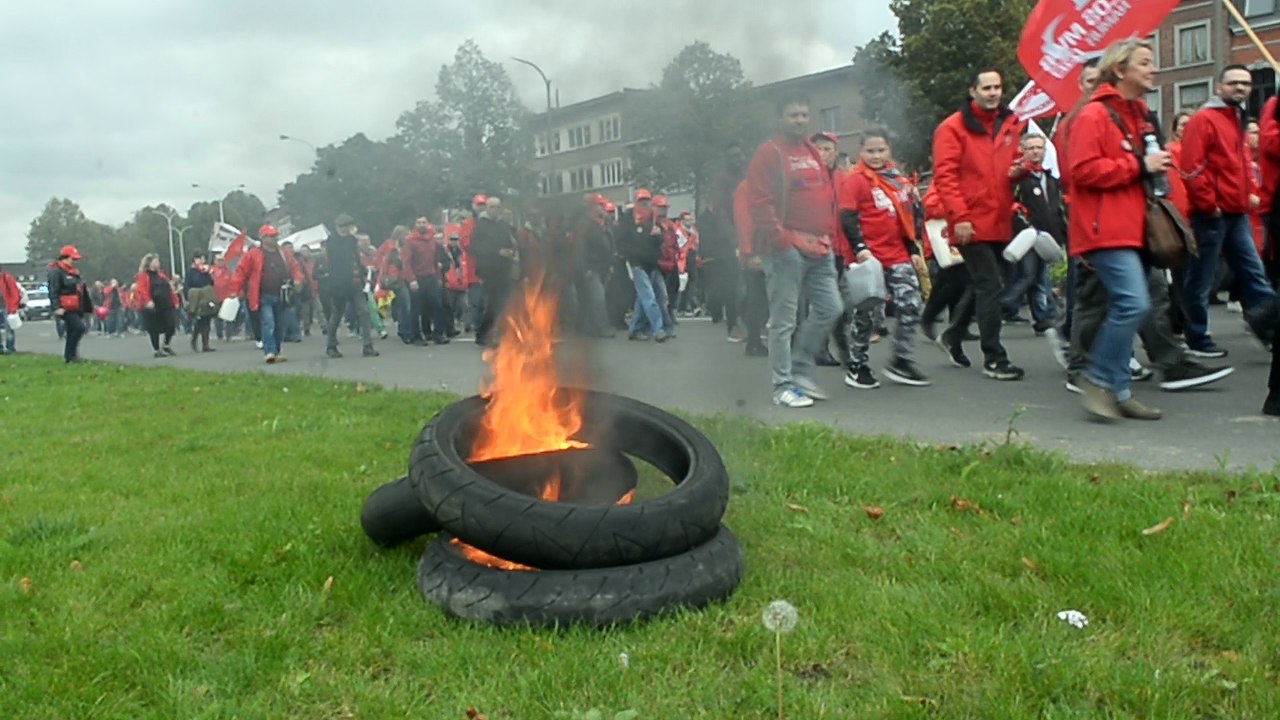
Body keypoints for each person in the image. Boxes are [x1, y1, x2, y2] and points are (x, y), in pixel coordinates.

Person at [1065, 39, 1166, 422]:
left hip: (1132, 227)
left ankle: (1120, 391)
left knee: (1126, 305)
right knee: (1134, 304)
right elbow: (1083, 171)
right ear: (1120, 70)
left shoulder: (1138, 114)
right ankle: (1097, 377)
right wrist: (1141, 165)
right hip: (1104, 229)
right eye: (1144, 62)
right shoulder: (1094, 116)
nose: (1152, 68)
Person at [743, 95, 843, 408]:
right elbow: (757, 200)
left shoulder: (811, 149)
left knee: (831, 308)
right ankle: (782, 386)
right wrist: (781, 240)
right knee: (784, 320)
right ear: (780, 118)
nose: (799, 120)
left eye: (803, 114)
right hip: (785, 249)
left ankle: (800, 369)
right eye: (793, 115)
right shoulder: (769, 152)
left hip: (819, 245)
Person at [931, 68, 1028, 381]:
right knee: (990, 284)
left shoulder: (1010, 123)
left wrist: (1020, 170)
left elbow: (1009, 166)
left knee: (987, 283)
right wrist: (959, 218)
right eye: (987, 87)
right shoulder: (952, 128)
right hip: (971, 221)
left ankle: (954, 333)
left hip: (999, 218)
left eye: (998, 87)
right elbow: (945, 177)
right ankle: (994, 356)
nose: (993, 93)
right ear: (972, 91)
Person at [1180, 64, 1278, 358]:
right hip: (1214, 214)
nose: (1240, 88)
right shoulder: (1204, 120)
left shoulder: (1235, 118)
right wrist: (1210, 206)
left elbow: (1241, 161)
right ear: (1219, 87)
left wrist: (1249, 192)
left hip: (1235, 213)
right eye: (1234, 83)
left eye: (1245, 83)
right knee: (1202, 278)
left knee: (1254, 273)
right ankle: (1196, 337)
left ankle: (1271, 329)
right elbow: (1192, 167)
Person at [837, 128, 931, 388]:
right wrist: (859, 248)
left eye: (881, 150)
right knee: (867, 313)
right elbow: (847, 216)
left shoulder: (896, 179)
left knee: (911, 303)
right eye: (870, 151)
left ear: (889, 150)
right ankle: (857, 365)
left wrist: (913, 249)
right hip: (869, 257)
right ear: (861, 151)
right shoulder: (854, 180)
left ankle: (901, 360)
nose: (876, 156)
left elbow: (907, 217)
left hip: (897, 253)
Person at [228, 224, 304, 364]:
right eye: (272, 236)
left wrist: (298, 278)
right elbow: (241, 272)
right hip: (262, 296)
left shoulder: (283, 253)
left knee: (280, 325)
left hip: (281, 295)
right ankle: (269, 351)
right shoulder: (253, 254)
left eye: (276, 235)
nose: (275, 238)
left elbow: (295, 266)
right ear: (263, 238)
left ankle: (277, 351)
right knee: (268, 323)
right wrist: (235, 289)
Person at [323, 214, 379, 358]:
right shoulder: (331, 242)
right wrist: (354, 240)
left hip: (355, 283)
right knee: (336, 315)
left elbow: (355, 259)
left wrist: (364, 270)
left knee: (364, 312)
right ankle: (331, 345)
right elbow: (340, 258)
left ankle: (368, 346)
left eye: (347, 226)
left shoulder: (352, 241)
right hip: (339, 284)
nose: (344, 229)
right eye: (341, 227)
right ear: (336, 228)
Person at [469, 196, 521, 346]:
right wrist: (497, 251)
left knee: (504, 303)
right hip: (488, 270)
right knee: (491, 304)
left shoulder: (503, 225)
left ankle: (498, 332)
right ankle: (483, 333)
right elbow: (475, 248)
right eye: (492, 207)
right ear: (486, 208)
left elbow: (509, 243)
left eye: (497, 207)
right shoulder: (481, 225)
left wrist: (510, 252)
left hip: (503, 269)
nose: (495, 210)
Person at [403, 216, 450, 345]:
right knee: (416, 309)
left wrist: (439, 277)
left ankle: (438, 334)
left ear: (428, 224)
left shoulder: (432, 240)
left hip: (431, 277)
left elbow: (436, 260)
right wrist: (411, 279)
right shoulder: (410, 241)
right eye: (419, 222)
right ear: (415, 225)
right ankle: (417, 336)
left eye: (424, 222)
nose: (422, 224)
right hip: (417, 278)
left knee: (437, 305)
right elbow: (406, 262)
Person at [47, 245, 92, 363]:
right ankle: (70, 355)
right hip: (65, 307)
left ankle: (71, 356)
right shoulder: (56, 272)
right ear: (64, 258)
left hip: (76, 307)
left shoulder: (73, 272)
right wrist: (56, 307)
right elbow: (53, 291)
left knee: (73, 330)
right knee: (79, 328)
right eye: (72, 259)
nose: (74, 262)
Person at [134, 253, 179, 358]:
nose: (158, 263)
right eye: (155, 261)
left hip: (166, 304)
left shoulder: (162, 276)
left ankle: (167, 345)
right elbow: (141, 290)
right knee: (154, 329)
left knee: (171, 325)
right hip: (152, 306)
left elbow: (169, 290)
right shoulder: (143, 276)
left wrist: (175, 301)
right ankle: (156, 350)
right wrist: (148, 301)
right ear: (149, 263)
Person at [184, 251, 218, 352]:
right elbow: (188, 284)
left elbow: (211, 283)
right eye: (199, 258)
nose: (201, 260)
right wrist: (188, 298)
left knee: (207, 319)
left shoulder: (205, 271)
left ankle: (205, 344)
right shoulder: (191, 271)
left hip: (206, 297)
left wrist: (209, 274)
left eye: (202, 258)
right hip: (196, 297)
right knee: (199, 320)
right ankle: (194, 338)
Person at [0, 265, 23, 354]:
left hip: (7, 307)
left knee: (9, 329)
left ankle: (10, 348)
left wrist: (13, 307)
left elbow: (14, 293)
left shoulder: (6, 278)